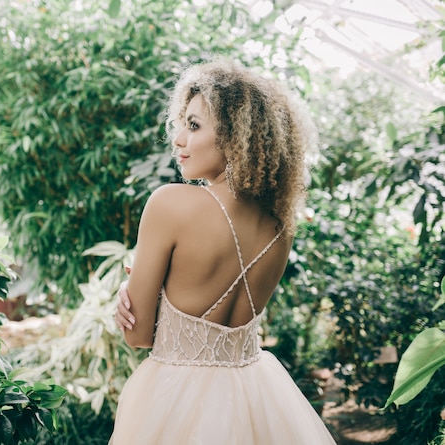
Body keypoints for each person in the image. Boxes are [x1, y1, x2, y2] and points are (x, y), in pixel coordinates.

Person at [110, 58, 336, 444]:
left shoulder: (171, 205)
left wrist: (127, 299)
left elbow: (138, 336)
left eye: (194, 125)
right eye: (181, 122)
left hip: (173, 401)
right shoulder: (280, 227)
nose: (178, 138)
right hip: (257, 395)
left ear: (238, 138)